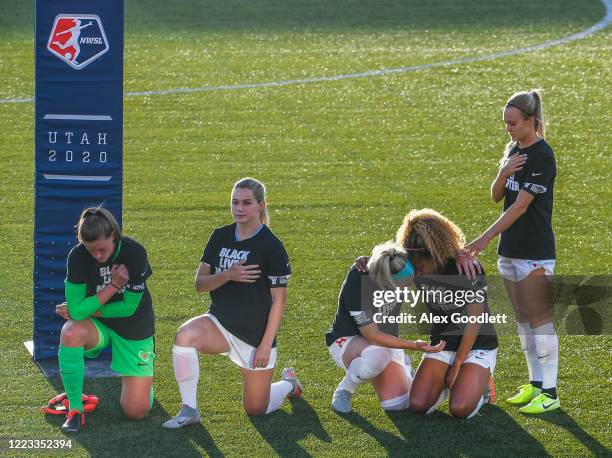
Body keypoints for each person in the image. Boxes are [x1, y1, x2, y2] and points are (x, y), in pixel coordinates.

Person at [163, 177, 298, 428]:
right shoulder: (220, 236)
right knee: (185, 336)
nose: (239, 208)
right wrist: (227, 275)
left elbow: (280, 300)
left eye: (247, 203)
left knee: (256, 409)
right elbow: (200, 284)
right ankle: (189, 409)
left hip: (255, 336)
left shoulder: (272, 246)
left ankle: (288, 384)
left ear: (261, 205)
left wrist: (266, 345)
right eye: (235, 202)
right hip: (220, 325)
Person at [464, 89, 559, 414]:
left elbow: (519, 207)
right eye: (505, 123)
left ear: (532, 121)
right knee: (523, 322)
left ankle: (550, 392)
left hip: (535, 251)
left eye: (513, 123)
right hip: (511, 252)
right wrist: (503, 172)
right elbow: (496, 196)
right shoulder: (514, 150)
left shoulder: (543, 156)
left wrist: (484, 238)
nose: (508, 129)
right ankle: (534, 385)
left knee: (540, 321)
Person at [55, 207, 156, 433]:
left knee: (136, 412)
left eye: (102, 249)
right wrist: (113, 287)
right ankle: (75, 408)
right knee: (70, 331)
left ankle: (144, 384)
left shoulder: (133, 252)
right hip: (98, 325)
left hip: (134, 327)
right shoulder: (78, 256)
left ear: (113, 235)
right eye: (92, 251)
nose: (98, 256)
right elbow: (77, 313)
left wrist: (83, 310)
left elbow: (129, 308)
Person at [398, 209, 499, 419]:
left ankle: (482, 381)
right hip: (442, 343)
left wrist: (458, 364)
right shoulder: (411, 265)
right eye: (413, 268)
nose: (417, 274)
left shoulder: (467, 268)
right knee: (418, 405)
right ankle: (448, 381)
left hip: (477, 343)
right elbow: (382, 261)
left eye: (422, 268)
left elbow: (475, 321)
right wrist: (363, 262)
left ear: (436, 255)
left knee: (460, 409)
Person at [326, 241, 445, 414]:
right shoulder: (358, 281)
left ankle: (414, 370)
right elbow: (372, 335)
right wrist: (414, 345)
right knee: (378, 354)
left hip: (387, 343)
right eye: (402, 284)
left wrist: (465, 258)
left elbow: (434, 245)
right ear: (384, 281)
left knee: (397, 404)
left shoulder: (399, 260)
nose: (408, 286)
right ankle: (345, 389)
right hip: (349, 340)